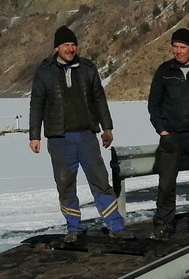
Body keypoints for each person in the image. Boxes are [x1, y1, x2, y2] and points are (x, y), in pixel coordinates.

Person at [28, 25, 127, 245]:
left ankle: (115, 225)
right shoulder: (44, 72)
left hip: (86, 136)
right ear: (57, 47)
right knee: (65, 184)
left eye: (73, 45)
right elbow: (37, 104)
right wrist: (34, 135)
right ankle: (73, 227)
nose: (70, 49)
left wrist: (107, 128)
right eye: (66, 45)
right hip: (59, 138)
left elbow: (99, 98)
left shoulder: (87, 68)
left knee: (100, 181)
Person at [146, 28, 189, 240]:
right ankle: (164, 223)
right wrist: (162, 129)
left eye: (182, 47)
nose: (178, 51)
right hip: (172, 135)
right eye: (175, 47)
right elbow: (153, 104)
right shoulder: (165, 71)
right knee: (166, 182)